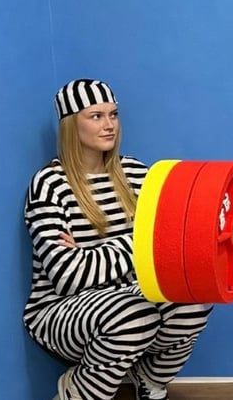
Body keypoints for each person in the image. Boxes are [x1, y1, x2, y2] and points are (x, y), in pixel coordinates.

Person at [23, 79, 213, 400]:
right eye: (96, 116)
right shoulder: (49, 184)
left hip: (130, 298)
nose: (109, 125)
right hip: (58, 312)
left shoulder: (137, 173)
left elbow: (170, 246)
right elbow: (70, 279)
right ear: (71, 124)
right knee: (134, 313)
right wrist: (140, 242)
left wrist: (91, 254)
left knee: (196, 295)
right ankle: (76, 392)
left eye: (113, 114)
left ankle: (149, 381)